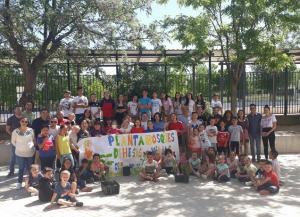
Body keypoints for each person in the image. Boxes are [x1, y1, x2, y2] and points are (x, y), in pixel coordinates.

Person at [12, 117, 35, 189]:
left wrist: (31, 147)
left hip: (30, 153)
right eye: (22, 121)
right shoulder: (15, 131)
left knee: (30, 169)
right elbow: (13, 141)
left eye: (26, 122)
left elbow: (33, 139)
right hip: (19, 154)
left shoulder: (31, 130)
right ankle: (19, 182)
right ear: (20, 122)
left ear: (27, 123)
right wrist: (19, 147)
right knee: (21, 168)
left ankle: (31, 183)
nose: (24, 123)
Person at [6, 106, 23, 177]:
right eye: (17, 109)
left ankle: (22, 171)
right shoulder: (10, 119)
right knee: (14, 156)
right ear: (14, 110)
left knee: (23, 156)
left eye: (20, 109)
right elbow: (7, 129)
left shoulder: (24, 119)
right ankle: (11, 171)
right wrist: (13, 136)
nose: (19, 111)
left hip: (24, 140)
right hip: (15, 141)